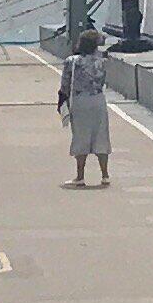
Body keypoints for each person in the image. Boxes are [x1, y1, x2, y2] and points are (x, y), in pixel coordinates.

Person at [56, 26, 113, 188]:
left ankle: (80, 177)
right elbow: (103, 81)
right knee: (101, 136)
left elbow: (65, 85)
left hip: (80, 101)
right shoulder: (102, 61)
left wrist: (62, 102)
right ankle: (105, 175)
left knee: (81, 136)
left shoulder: (71, 61)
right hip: (98, 100)